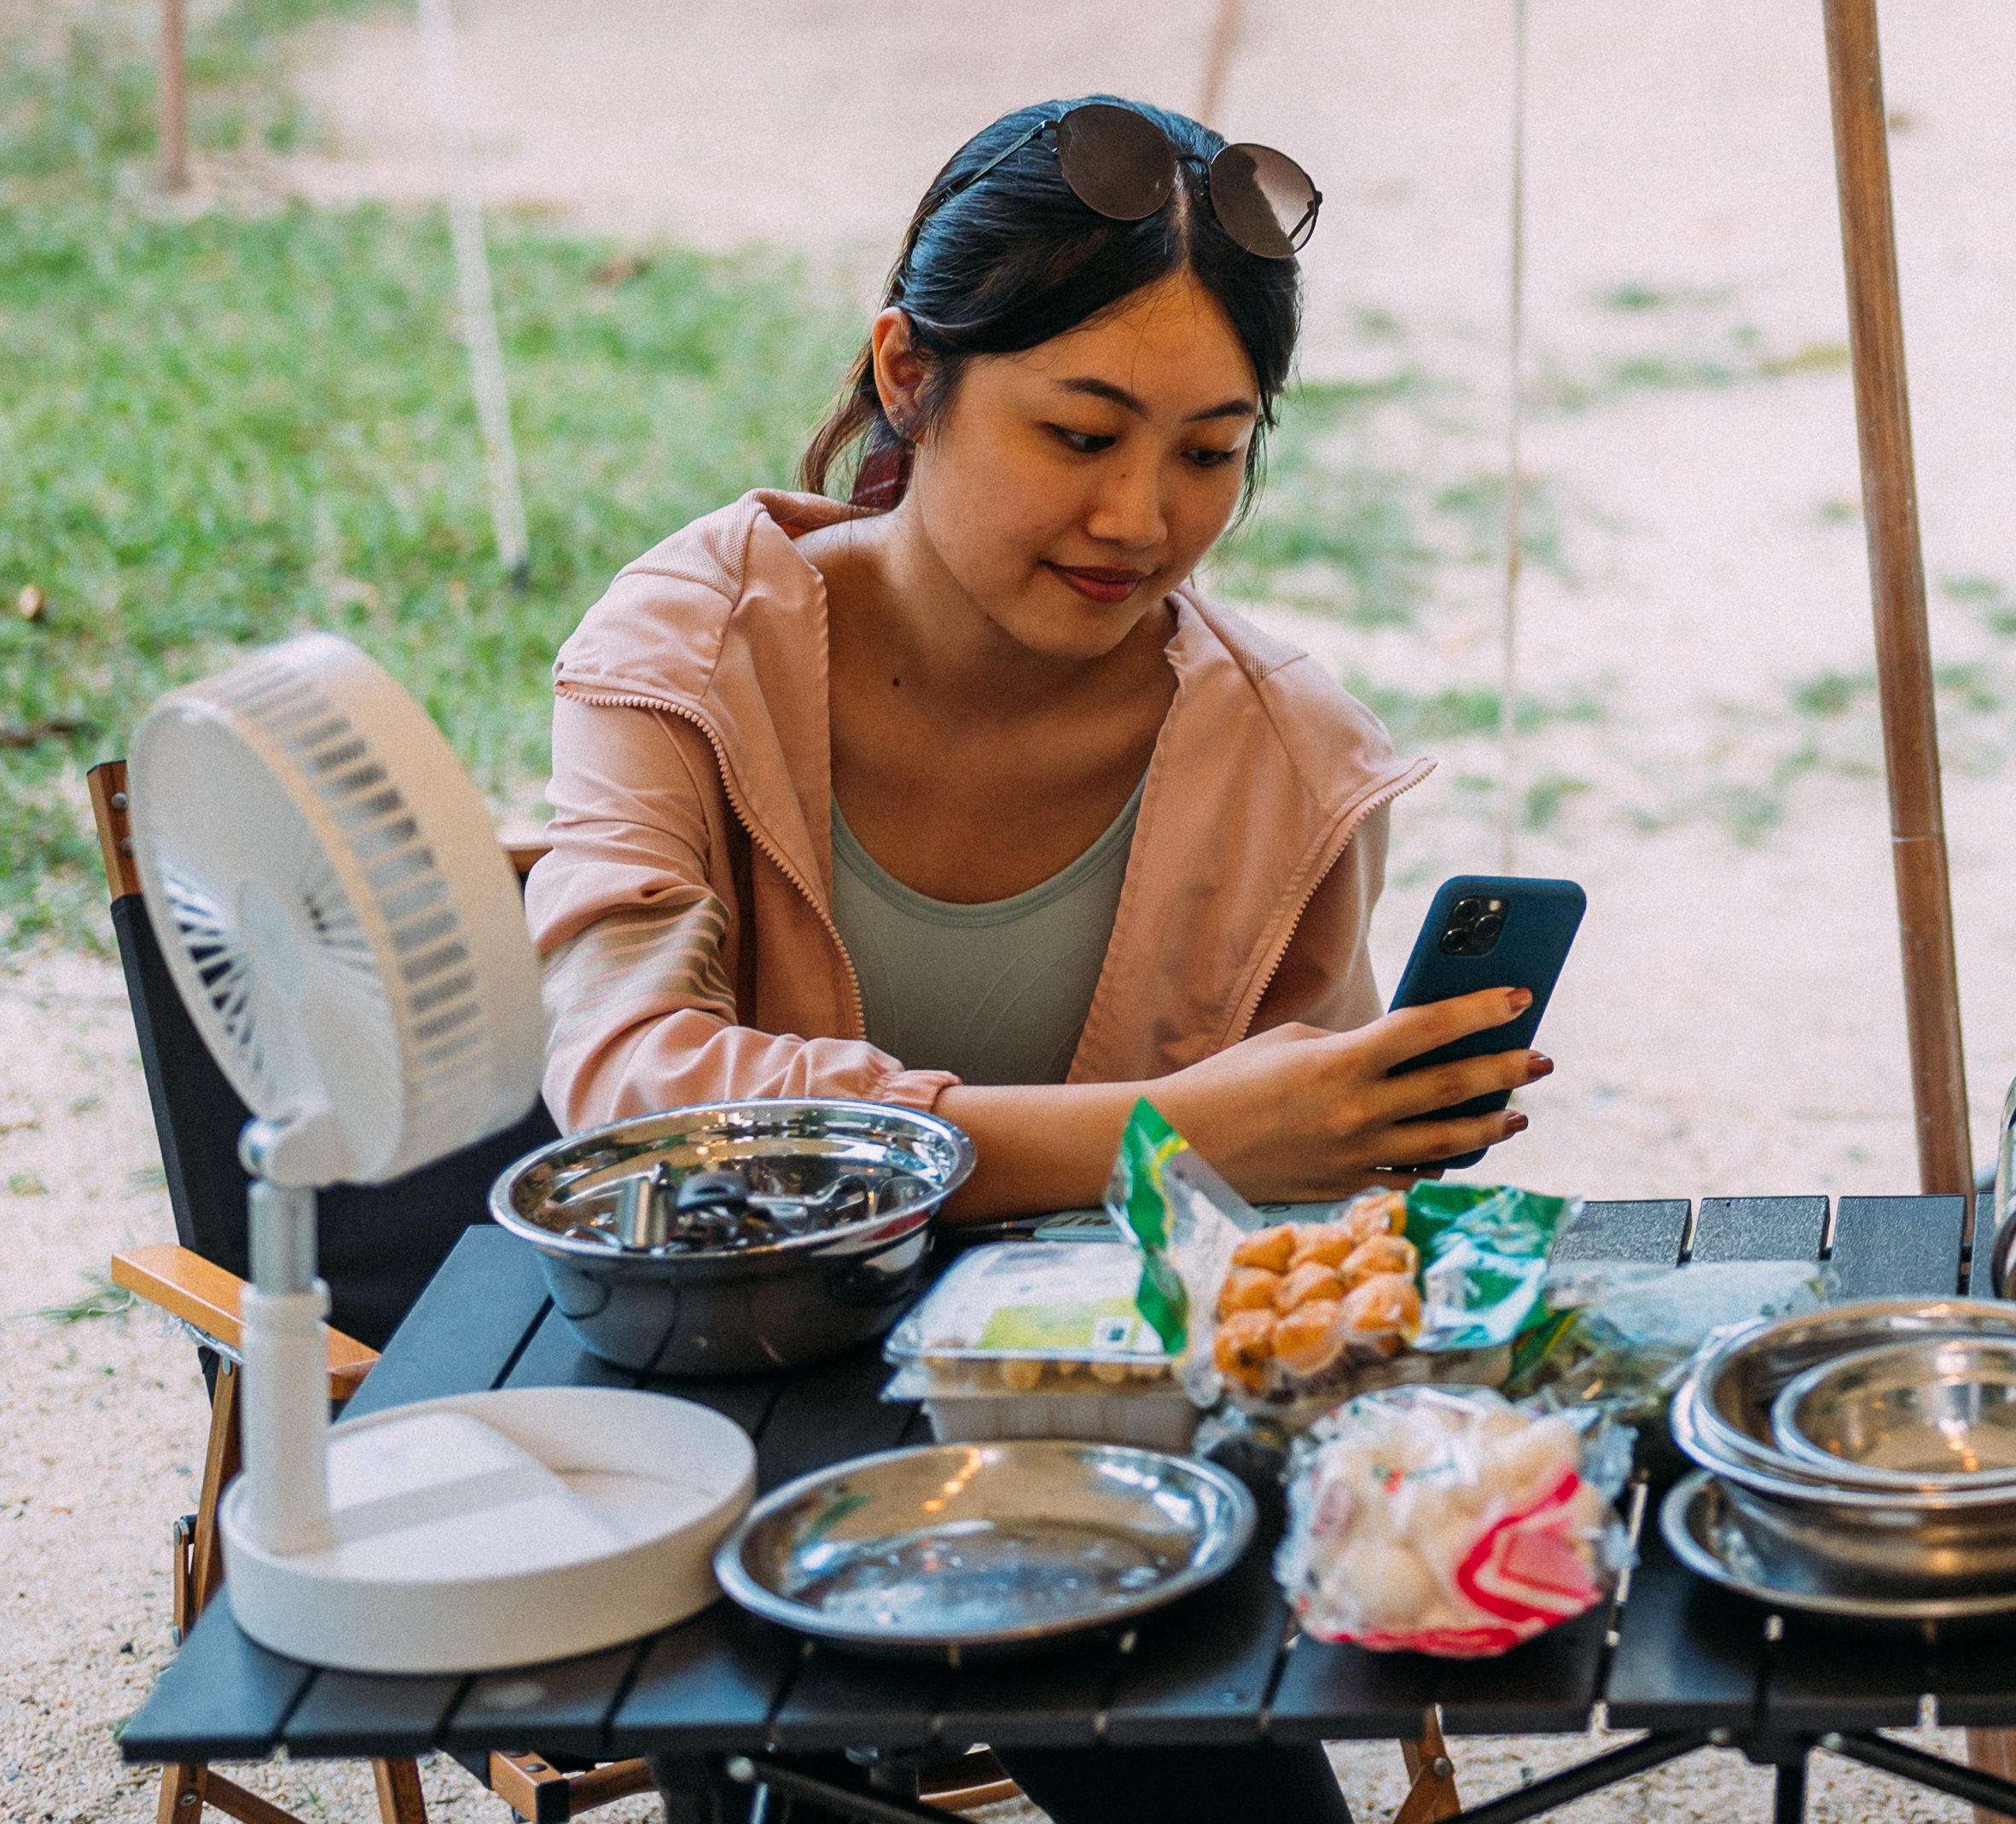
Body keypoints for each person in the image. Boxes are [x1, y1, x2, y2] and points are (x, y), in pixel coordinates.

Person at [532, 95, 1546, 1824]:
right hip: (746, 1411)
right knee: (788, 1765)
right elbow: (627, 1089)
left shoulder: (1286, 756)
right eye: (1080, 430)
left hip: (1108, 1472)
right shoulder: (692, 651)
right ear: (908, 375)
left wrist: (1353, 1156)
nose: (1142, 516)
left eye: (1212, 450)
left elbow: (1286, 1253)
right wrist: (1167, 1129)